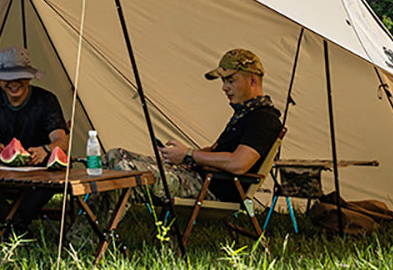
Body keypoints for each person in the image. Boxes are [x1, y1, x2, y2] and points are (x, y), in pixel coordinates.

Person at [106, 48, 283, 201]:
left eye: (230, 80)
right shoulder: (244, 113)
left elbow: (239, 163)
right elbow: (215, 150)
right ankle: (90, 231)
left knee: (124, 169)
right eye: (223, 82)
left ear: (252, 80)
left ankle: (94, 236)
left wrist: (189, 155)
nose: (224, 88)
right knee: (114, 155)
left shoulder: (264, 119)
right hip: (197, 175)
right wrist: (183, 156)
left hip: (211, 189)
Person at [0, 47, 69, 232]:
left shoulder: (46, 100)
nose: (13, 83)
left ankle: (16, 219)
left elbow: (62, 140)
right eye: (6, 79)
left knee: (59, 171)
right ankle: (6, 216)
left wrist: (45, 149)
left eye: (18, 76)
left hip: (38, 166)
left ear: (29, 77)